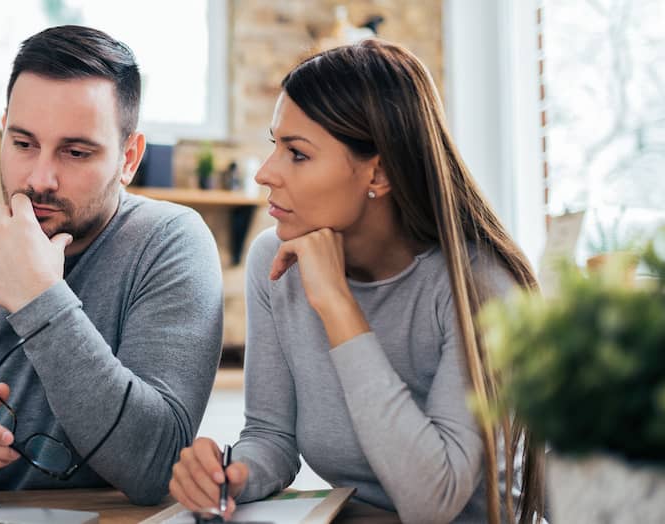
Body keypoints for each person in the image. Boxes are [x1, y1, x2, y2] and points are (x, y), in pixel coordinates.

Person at [167, 39, 545, 524]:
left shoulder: (483, 288)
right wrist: (232, 473)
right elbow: (272, 437)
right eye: (274, 145)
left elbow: (434, 502)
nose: (265, 173)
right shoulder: (276, 262)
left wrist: (338, 305)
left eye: (297, 154)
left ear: (379, 172)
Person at [0, 25, 223, 505]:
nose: (40, 179)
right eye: (24, 143)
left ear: (129, 158)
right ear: (3, 131)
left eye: (75, 152)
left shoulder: (168, 245)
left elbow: (155, 467)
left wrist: (37, 295)